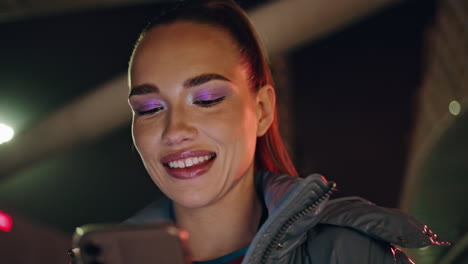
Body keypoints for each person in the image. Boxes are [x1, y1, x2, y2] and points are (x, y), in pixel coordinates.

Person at [125, 0, 448, 263]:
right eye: (149, 109)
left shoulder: (347, 253)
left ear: (263, 110)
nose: (175, 131)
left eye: (208, 100)